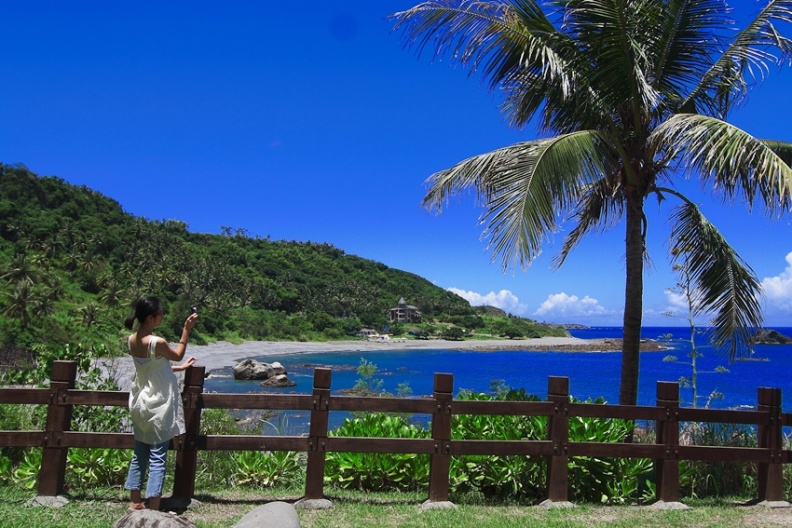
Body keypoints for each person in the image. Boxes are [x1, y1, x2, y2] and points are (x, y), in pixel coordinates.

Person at [123, 296, 198, 511]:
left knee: (140, 453)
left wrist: (179, 369)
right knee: (158, 456)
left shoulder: (132, 340)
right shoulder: (158, 342)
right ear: (150, 318)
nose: (162, 316)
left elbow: (152, 367)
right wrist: (187, 329)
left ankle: (135, 501)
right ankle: (154, 505)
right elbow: (177, 354)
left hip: (140, 401)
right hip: (158, 404)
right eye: (160, 314)